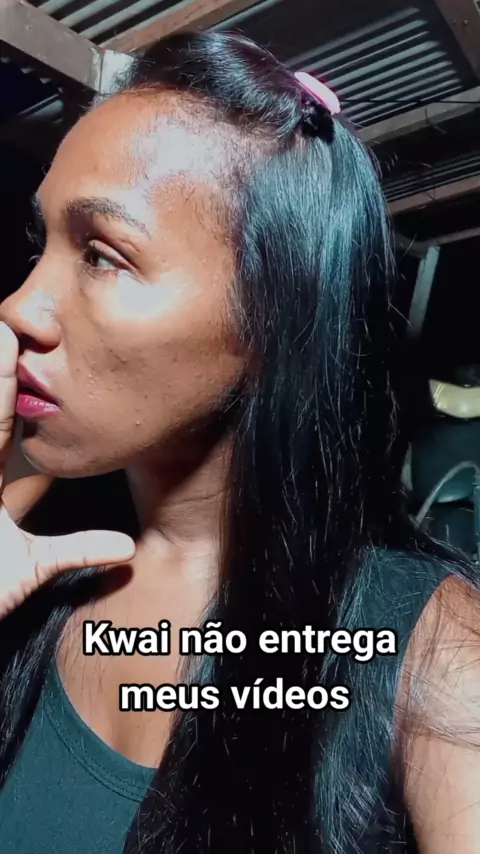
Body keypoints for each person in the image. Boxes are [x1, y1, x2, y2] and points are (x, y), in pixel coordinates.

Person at [0, 29, 478, 854]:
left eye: (103, 254)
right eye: (44, 246)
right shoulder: (27, 543)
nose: (19, 307)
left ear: (272, 321)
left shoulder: (435, 647)